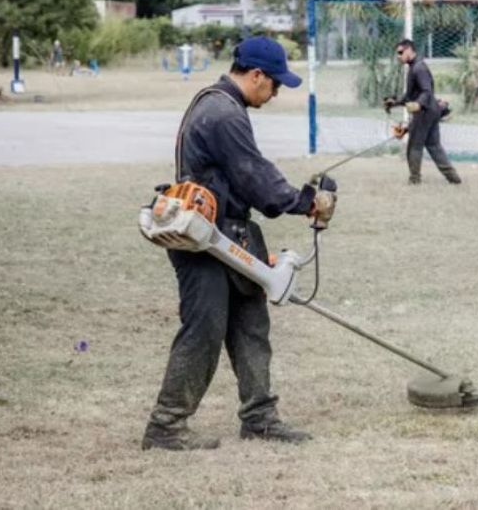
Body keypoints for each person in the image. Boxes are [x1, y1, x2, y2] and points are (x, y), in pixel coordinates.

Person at [142, 36, 337, 451]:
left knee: (250, 325)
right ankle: (166, 426)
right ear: (255, 75)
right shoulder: (223, 113)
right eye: (275, 83)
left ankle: (260, 418)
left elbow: (242, 177)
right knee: (204, 331)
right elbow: (253, 175)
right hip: (205, 240)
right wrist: (305, 202)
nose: (277, 91)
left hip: (230, 233)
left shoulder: (216, 103)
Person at [384, 39, 461, 185]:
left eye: (401, 52)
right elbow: (409, 96)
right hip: (432, 111)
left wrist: (419, 104)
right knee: (433, 146)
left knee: (414, 146)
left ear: (409, 50)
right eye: (397, 54)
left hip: (425, 111)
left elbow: (426, 91)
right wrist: (394, 102)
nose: (399, 56)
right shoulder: (414, 67)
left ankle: (414, 180)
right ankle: (454, 178)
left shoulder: (418, 68)